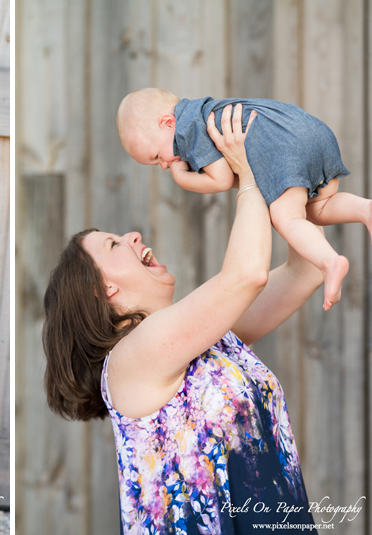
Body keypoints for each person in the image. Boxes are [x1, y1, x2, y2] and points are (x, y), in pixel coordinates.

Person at [44, 105, 322, 533]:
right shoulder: (131, 358)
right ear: (105, 292)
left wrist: (296, 184)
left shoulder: (207, 339)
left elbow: (306, 271)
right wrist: (247, 172)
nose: (134, 235)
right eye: (116, 244)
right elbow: (246, 275)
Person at [117, 87, 372, 311]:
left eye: (156, 157)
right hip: (313, 131)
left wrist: (182, 178)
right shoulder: (204, 111)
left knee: (287, 217)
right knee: (317, 207)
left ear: (167, 122)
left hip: (284, 148)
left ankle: (329, 262)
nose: (163, 165)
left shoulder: (189, 131)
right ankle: (365, 209)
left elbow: (222, 179)